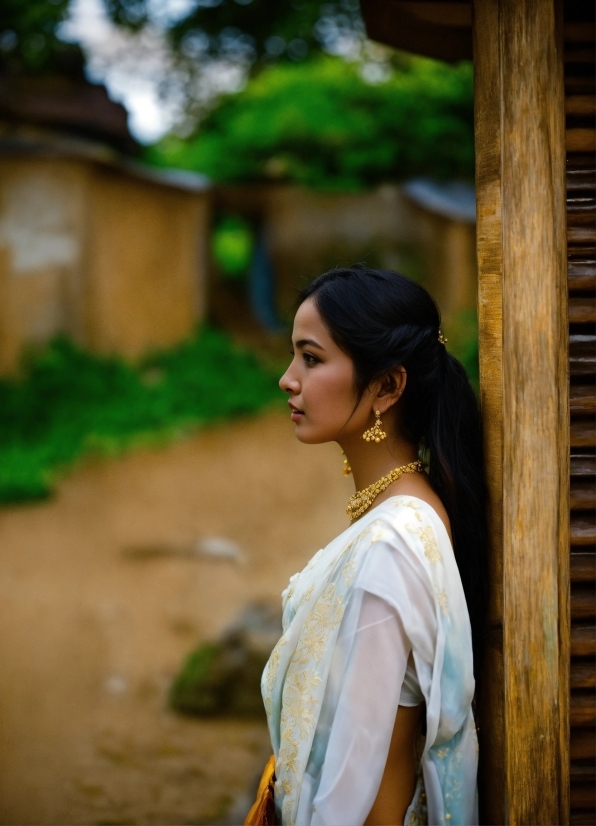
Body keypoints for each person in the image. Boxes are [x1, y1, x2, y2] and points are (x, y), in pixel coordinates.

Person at [251, 266, 487, 826]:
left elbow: (357, 788)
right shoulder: (399, 518)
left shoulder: (393, 543)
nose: (288, 379)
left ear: (387, 386)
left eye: (311, 358)